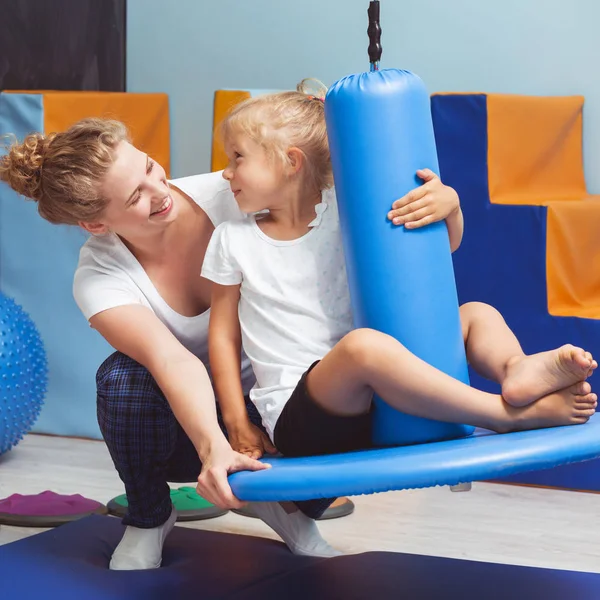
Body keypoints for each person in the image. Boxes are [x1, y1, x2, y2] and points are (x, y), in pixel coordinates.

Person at [0, 118, 343, 569]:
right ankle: (149, 517)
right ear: (95, 223)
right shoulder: (100, 278)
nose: (158, 191)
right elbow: (171, 360)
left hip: (279, 402)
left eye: (148, 168)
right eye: (135, 197)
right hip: (186, 429)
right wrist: (216, 447)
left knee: (347, 387)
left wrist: (442, 204)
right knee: (121, 378)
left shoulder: (237, 193)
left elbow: (331, 199)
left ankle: (287, 507)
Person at [202, 81, 597, 463]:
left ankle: (515, 368)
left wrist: (450, 205)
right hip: (301, 413)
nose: (226, 172)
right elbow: (222, 335)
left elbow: (442, 247)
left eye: (237, 157)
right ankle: (505, 415)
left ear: (291, 161)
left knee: (476, 313)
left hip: (387, 400)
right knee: (361, 347)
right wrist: (235, 420)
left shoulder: (348, 214)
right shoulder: (232, 239)